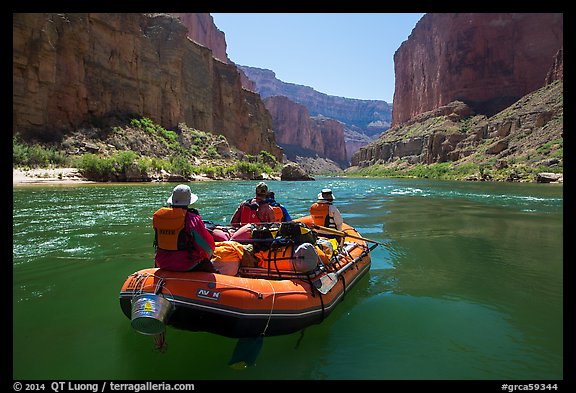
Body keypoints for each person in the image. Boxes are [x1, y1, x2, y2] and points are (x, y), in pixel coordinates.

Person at [153, 184, 217, 272]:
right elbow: (208, 247)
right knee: (212, 269)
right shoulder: (192, 218)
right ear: (189, 201)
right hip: (187, 264)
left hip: (162, 263)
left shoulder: (159, 217)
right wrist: (207, 258)